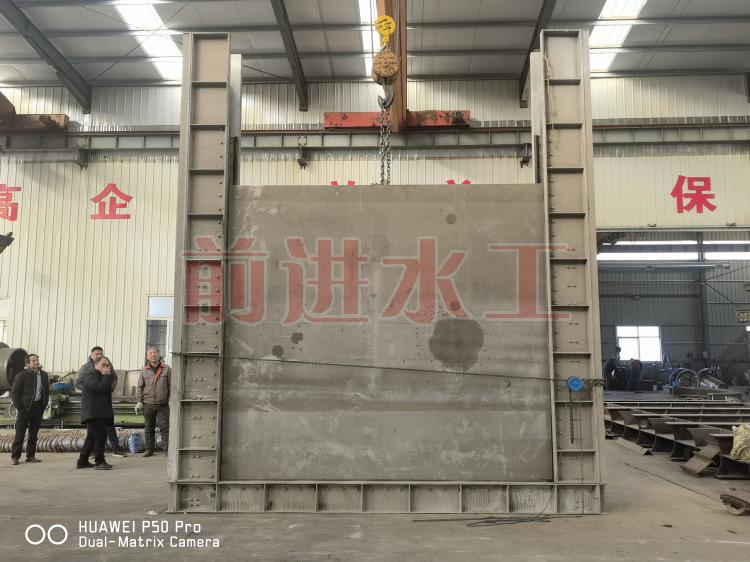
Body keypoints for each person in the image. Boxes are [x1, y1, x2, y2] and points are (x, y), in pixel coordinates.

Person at [76, 346, 127, 457]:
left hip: (105, 400)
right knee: (93, 431)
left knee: (110, 425)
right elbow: (78, 383)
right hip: (93, 403)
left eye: (101, 353)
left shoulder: (107, 364)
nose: (99, 355)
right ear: (91, 355)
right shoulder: (85, 368)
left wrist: (109, 388)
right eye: (96, 354)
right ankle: (93, 454)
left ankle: (116, 448)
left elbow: (114, 378)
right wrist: (91, 389)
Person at [10, 354, 49, 465]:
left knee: (33, 434)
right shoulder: (21, 376)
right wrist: (20, 407)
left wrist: (44, 405)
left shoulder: (44, 375)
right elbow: (15, 393)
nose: (36, 362)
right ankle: (15, 457)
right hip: (24, 409)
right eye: (33, 361)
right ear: (28, 364)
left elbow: (46, 391)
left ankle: (30, 456)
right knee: (20, 434)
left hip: (38, 408)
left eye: (37, 360)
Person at [76, 356, 115, 470]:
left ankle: (82, 461)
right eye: (103, 364)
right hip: (93, 413)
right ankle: (99, 461)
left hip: (99, 412)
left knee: (91, 437)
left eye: (108, 365)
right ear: (96, 365)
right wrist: (106, 375)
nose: (106, 367)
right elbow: (100, 388)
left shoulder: (102, 377)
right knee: (100, 436)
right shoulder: (91, 376)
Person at [136, 347, 170, 457]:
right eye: (150, 353)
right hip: (148, 404)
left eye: (154, 353)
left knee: (164, 427)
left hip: (162, 404)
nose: (153, 355)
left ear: (158, 355)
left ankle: (167, 449)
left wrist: (171, 400)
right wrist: (139, 401)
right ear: (147, 357)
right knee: (149, 427)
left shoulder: (167, 369)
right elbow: (140, 387)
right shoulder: (144, 370)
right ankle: (149, 449)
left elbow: (171, 385)